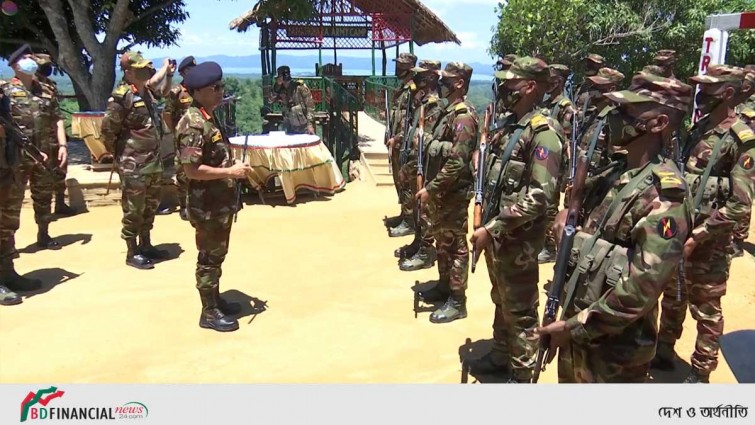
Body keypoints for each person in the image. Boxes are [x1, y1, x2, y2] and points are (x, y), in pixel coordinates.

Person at [538, 71, 694, 383]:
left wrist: (572, 328)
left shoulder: (666, 197)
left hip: (615, 353)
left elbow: (640, 292)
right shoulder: (614, 175)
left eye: (626, 112)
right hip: (577, 333)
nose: (613, 118)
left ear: (659, 123)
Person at [653, 65, 755, 383]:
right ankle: (664, 351)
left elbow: (740, 203)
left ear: (726, 93)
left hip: (710, 242)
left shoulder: (742, 139)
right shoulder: (700, 130)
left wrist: (699, 235)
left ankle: (701, 370)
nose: (700, 95)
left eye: (707, 90)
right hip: (681, 231)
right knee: (673, 296)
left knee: (706, 307)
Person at [466, 57, 563, 382]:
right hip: (498, 238)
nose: (504, 88)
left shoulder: (544, 135)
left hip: (516, 240)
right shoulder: (509, 127)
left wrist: (492, 228)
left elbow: (540, 196)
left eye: (511, 83)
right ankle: (500, 355)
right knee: (501, 299)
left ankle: (522, 378)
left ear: (530, 87)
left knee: (520, 311)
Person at [175, 61, 251, 332]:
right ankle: (208, 312)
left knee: (217, 254)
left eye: (221, 86)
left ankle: (215, 299)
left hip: (218, 201)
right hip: (206, 204)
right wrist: (231, 170)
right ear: (199, 91)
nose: (221, 91)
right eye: (215, 88)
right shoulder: (193, 123)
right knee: (208, 258)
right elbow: (192, 170)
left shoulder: (208, 116)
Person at [415, 62, 478, 324]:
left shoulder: (462, 116)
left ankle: (457, 298)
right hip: (442, 191)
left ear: (459, 83)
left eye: (447, 80)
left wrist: (432, 187)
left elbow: (457, 161)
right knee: (443, 241)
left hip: (452, 191)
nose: (441, 84)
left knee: (457, 245)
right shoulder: (447, 111)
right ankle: (444, 285)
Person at [101, 51, 173, 270]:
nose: (145, 70)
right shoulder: (122, 97)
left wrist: (167, 73)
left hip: (153, 161)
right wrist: (120, 155)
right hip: (133, 164)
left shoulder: (147, 92)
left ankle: (146, 244)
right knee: (134, 209)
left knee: (150, 206)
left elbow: (163, 90)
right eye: (140, 68)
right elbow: (108, 131)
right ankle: (132, 252)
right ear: (128, 72)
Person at [0, 44, 51, 305]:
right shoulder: (5, 89)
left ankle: (8, 274)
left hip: (10, 167)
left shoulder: (3, 97)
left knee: (8, 222)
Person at [3, 44, 67, 250]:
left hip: (45, 154)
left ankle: (44, 235)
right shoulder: (5, 91)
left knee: (43, 195)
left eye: (31, 57)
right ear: (14, 66)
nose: (31, 61)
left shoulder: (47, 90)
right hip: (16, 156)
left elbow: (57, 119)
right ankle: (8, 245)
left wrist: (63, 145)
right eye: (25, 58)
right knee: (11, 201)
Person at [395, 60, 443, 272]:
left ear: (431, 77)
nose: (416, 79)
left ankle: (426, 250)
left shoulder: (434, 103)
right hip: (416, 161)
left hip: (428, 167)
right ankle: (418, 242)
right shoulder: (422, 101)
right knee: (418, 209)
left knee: (426, 211)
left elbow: (428, 141)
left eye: (421, 75)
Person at [539, 63, 575, 263]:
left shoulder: (565, 107)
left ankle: (550, 247)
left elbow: (565, 139)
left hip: (556, 161)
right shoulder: (547, 104)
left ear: (559, 82)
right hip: (543, 158)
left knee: (550, 204)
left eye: (551, 80)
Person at [33, 53, 76, 217]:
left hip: (54, 136)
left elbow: (56, 113)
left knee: (60, 170)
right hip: (36, 138)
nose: (47, 68)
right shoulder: (30, 86)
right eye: (44, 65)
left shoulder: (51, 85)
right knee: (41, 177)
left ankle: (60, 203)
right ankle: (44, 211)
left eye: (48, 64)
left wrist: (62, 140)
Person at [384, 53, 419, 236]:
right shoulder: (402, 88)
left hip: (405, 145)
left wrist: (398, 137)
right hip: (396, 144)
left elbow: (414, 122)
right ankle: (404, 214)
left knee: (406, 183)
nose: (397, 68)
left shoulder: (413, 90)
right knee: (399, 181)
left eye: (400, 65)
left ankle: (410, 221)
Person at [163, 55, 197, 221]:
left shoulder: (199, 89)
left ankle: (197, 204)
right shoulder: (176, 92)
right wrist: (176, 132)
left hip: (199, 138)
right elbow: (167, 114)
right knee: (183, 173)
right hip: (183, 139)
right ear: (184, 72)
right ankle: (184, 206)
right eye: (192, 70)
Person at [269, 65, 316, 135]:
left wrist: (310, 124)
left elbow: (310, 107)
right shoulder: (279, 89)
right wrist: (277, 85)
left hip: (304, 127)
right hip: (290, 127)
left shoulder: (300, 88)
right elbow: (270, 100)